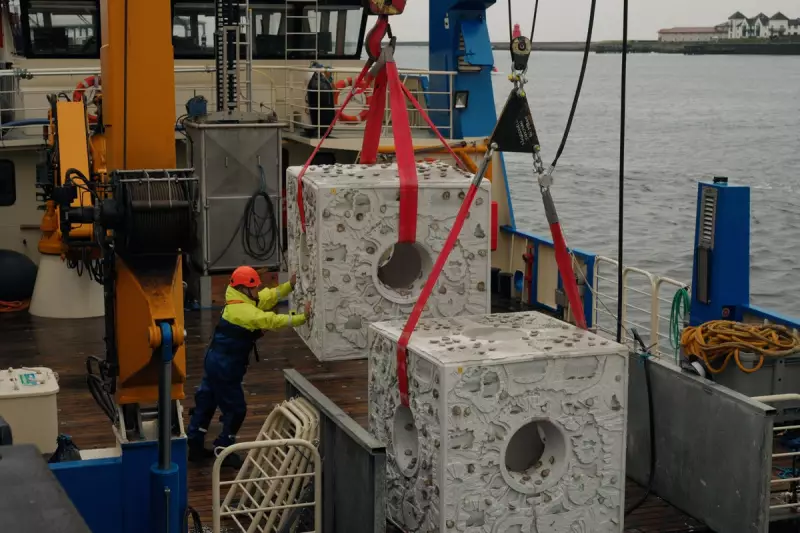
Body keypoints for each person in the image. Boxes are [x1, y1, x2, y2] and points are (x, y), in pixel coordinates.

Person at [187, 266, 311, 468]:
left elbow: (268, 296)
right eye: (255, 287)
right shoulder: (244, 312)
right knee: (236, 409)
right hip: (226, 366)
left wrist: (290, 285)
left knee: (206, 401)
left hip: (215, 360)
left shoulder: (239, 300)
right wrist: (301, 318)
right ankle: (224, 448)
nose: (258, 290)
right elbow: (269, 320)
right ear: (245, 288)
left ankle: (195, 443)